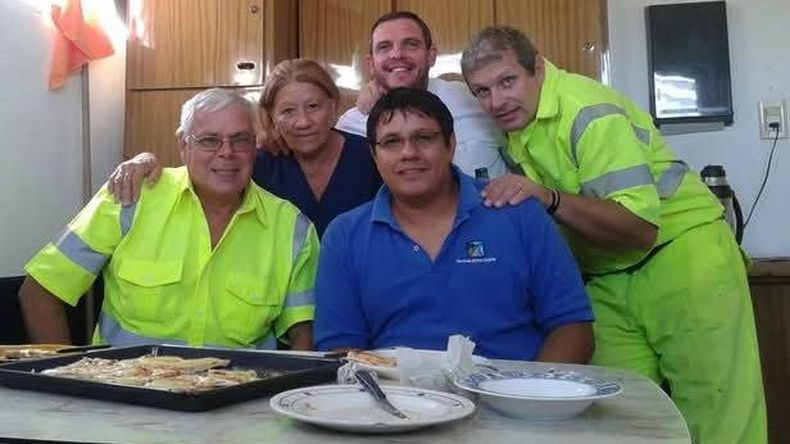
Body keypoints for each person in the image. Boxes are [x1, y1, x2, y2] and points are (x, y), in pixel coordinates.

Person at [461, 26, 765, 443]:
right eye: (481, 91)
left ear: (539, 68)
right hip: (605, 275)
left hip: (683, 258)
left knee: (717, 417)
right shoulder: (518, 124)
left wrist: (549, 197)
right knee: (614, 419)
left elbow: (638, 229)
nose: (495, 101)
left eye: (507, 81)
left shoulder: (588, 110)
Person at [19, 88, 319, 350]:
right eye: (209, 140)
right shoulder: (131, 197)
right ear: (183, 144)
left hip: (236, 403)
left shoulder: (292, 228)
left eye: (240, 140)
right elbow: (40, 292)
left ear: (255, 145)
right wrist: (66, 380)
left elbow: (303, 336)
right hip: (123, 400)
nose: (226, 153)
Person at [314, 87, 594, 362]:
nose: (408, 153)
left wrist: (531, 397)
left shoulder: (518, 213)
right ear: (374, 156)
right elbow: (340, 347)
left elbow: (572, 327)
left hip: (512, 397)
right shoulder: (345, 235)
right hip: (394, 400)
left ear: (451, 144)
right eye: (391, 142)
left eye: (423, 138)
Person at [110, 60, 381, 238]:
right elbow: (201, 173)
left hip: (360, 293)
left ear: (333, 105)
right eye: (287, 111)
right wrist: (144, 161)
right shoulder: (259, 163)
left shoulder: (371, 157)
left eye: (313, 107)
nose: (303, 122)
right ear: (272, 116)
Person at [335, 11, 508, 180]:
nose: (397, 54)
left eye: (410, 44)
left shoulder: (474, 99)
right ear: (371, 63)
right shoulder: (350, 127)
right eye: (384, 47)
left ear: (431, 56)